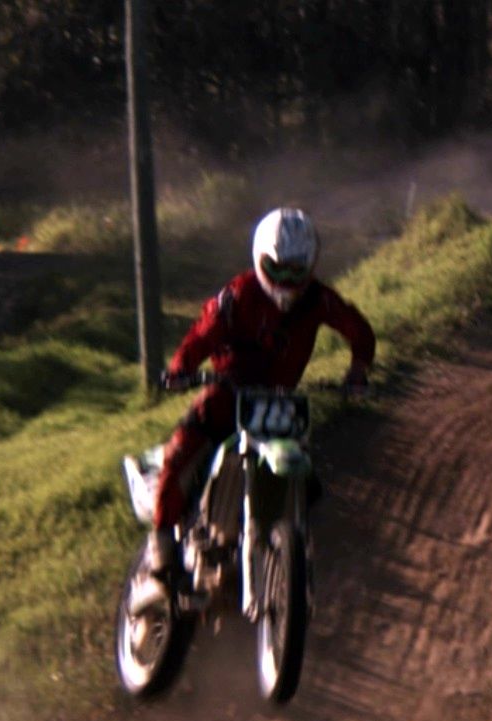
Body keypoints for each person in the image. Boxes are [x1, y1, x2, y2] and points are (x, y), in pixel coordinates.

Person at [147, 206, 376, 578]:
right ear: (259, 260)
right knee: (180, 453)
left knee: (311, 485)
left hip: (281, 403)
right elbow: (203, 333)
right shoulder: (238, 295)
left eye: (295, 272)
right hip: (227, 394)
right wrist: (181, 370)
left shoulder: (319, 300)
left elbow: (358, 330)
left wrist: (358, 371)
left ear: (311, 267)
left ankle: (292, 552)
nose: (286, 281)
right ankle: (161, 543)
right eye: (277, 270)